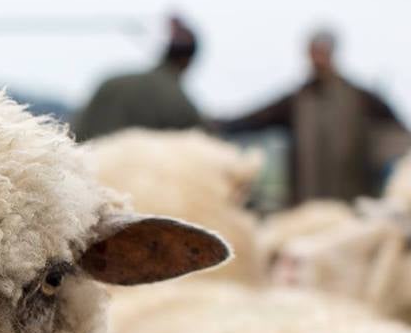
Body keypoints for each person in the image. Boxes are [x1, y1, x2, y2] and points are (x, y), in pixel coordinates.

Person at [218, 30, 407, 204]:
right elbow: (255, 119)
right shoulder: (297, 101)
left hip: (350, 202)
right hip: (307, 204)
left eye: (321, 52)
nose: (317, 59)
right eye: (314, 53)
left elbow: (397, 132)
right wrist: (218, 126)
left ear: (331, 53)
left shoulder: (359, 98)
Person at [73, 16, 203, 141]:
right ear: (187, 60)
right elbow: (207, 146)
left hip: (90, 162)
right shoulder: (180, 102)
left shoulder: (111, 84)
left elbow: (75, 135)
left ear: (166, 51)